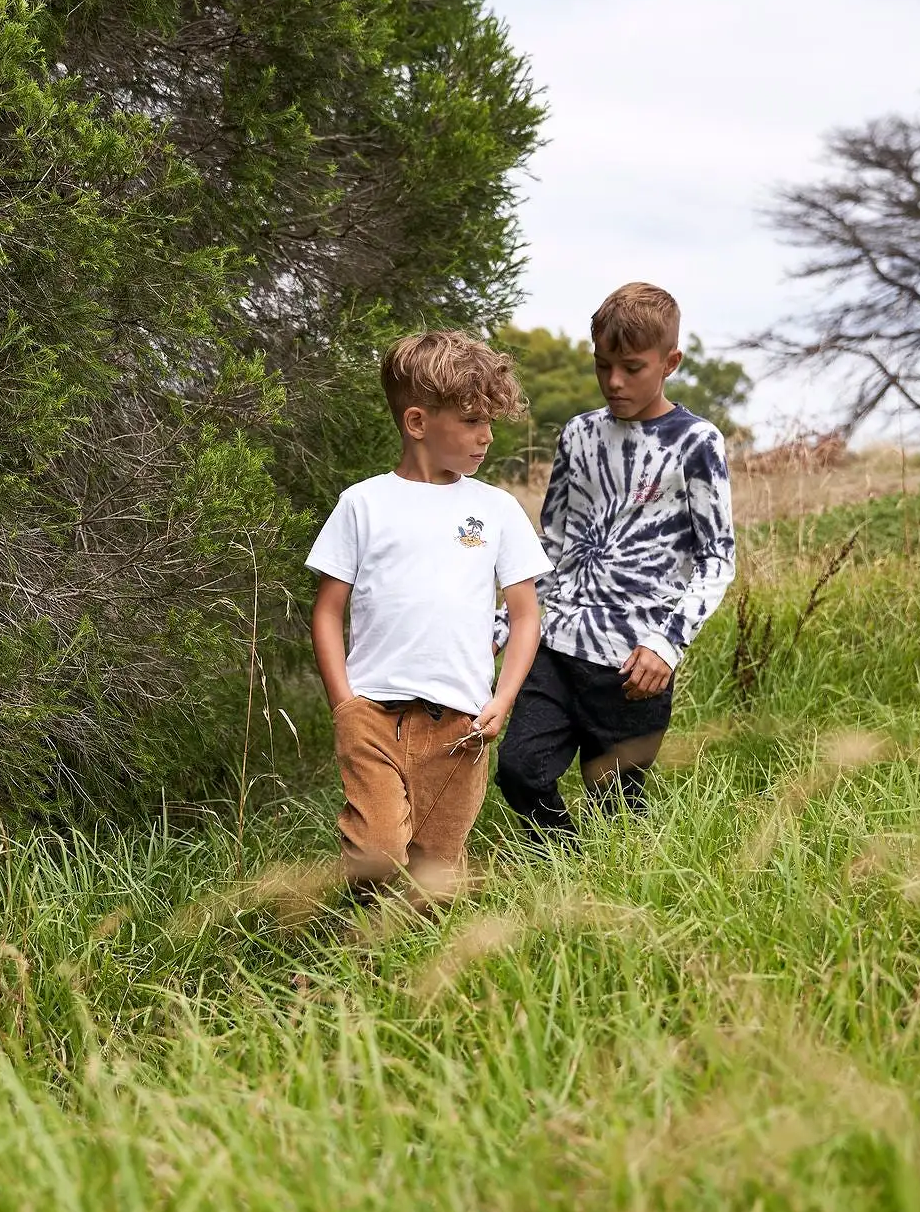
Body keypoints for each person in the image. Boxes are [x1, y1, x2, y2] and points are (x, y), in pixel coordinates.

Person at [307, 330, 551, 899]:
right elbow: (327, 611)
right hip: (373, 715)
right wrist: (344, 704)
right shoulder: (363, 503)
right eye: (470, 421)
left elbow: (525, 616)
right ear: (417, 422)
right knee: (378, 854)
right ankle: (345, 956)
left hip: (461, 725)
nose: (486, 436)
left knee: (435, 878)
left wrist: (503, 700)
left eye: (490, 421)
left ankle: (402, 975)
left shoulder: (496, 510)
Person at [496, 281, 735, 842]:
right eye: (603, 365)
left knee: (619, 813)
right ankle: (562, 857)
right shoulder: (578, 434)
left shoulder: (697, 442)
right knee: (520, 771)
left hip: (634, 665)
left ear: (670, 361)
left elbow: (717, 558)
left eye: (632, 367)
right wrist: (507, 623)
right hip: (557, 643)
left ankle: (601, 892)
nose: (614, 382)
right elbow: (550, 542)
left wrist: (666, 644)